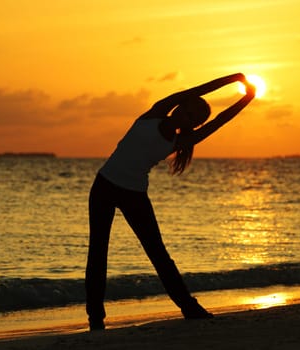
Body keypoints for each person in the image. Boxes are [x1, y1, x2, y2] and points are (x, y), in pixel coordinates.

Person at [85, 73, 256, 330]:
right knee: (98, 253)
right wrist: (235, 78)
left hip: (134, 194)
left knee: (158, 254)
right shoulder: (155, 112)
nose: (182, 113)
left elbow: (220, 121)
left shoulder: (181, 140)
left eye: (190, 116)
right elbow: (198, 89)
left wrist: (248, 99)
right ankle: (96, 319)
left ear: (191, 124)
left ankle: (189, 307)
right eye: (184, 108)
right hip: (104, 186)